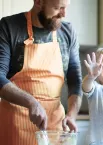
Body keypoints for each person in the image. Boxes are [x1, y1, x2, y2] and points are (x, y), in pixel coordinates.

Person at [0, 0, 83, 144]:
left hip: (55, 127)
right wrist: (32, 102)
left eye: (66, 7)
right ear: (38, 2)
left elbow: (75, 80)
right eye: (58, 8)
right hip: (16, 126)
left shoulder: (68, 32)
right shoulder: (9, 27)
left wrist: (72, 114)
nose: (64, 14)